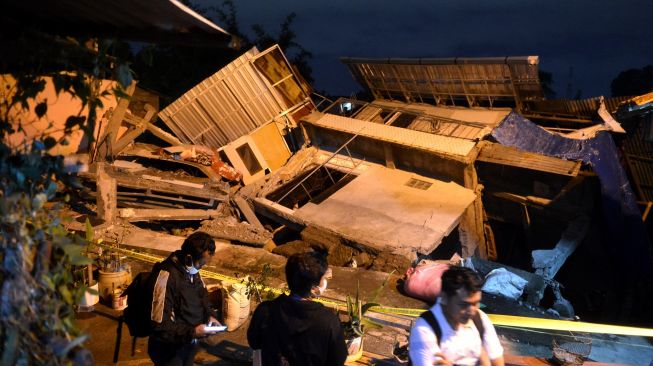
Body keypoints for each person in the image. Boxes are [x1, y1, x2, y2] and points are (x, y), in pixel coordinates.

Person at [247, 251, 348, 366]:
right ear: (314, 289)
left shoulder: (265, 311)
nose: (326, 282)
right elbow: (338, 360)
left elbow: (254, 342)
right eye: (324, 279)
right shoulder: (330, 322)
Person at [148, 231, 221, 366]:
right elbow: (159, 326)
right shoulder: (165, 277)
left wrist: (210, 316)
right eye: (200, 264)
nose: (201, 268)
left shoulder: (193, 272)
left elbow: (202, 296)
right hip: (169, 350)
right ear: (188, 258)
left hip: (189, 343)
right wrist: (193, 332)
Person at [408, 266, 504, 366]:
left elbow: (497, 362)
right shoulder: (425, 329)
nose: (471, 311)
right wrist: (484, 360)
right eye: (463, 305)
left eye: (475, 303)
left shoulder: (480, 319)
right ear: (444, 297)